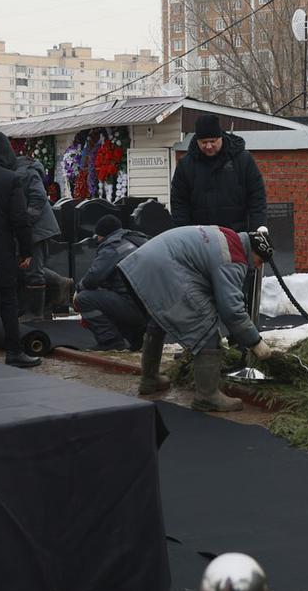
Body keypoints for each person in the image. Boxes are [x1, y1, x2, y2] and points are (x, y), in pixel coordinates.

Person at [119, 225, 275, 412]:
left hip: (142, 263)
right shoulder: (233, 257)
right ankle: (207, 396)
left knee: (158, 321)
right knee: (206, 330)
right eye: (259, 261)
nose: (258, 266)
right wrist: (255, 342)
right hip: (164, 267)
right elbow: (231, 310)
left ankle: (149, 379)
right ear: (253, 251)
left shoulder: (229, 237)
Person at [0, 131, 40, 367]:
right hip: (4, 250)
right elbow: (20, 220)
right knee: (8, 301)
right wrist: (26, 251)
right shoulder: (10, 178)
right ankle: (14, 351)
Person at [170, 113, 267, 232]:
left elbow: (257, 197)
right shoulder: (186, 165)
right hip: (200, 237)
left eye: (213, 141)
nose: (209, 146)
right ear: (197, 141)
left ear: (221, 137)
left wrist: (257, 230)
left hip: (237, 235)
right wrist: (182, 234)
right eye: (204, 142)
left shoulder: (242, 160)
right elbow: (179, 203)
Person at [11, 137, 71, 319]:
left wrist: (25, 221)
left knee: (33, 269)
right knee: (22, 267)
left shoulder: (28, 172)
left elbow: (38, 197)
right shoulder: (17, 171)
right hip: (28, 226)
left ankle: (35, 315)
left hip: (35, 228)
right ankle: (59, 283)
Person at [76, 214, 148, 351]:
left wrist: (78, 289)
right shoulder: (139, 239)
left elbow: (92, 279)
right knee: (115, 295)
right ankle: (136, 339)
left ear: (102, 235)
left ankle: (110, 341)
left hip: (134, 307)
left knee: (84, 298)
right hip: (153, 308)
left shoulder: (113, 246)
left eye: (97, 236)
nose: (97, 239)